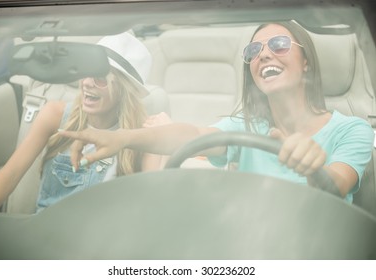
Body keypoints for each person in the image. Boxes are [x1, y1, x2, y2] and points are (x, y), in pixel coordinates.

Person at [59, 21, 375, 203]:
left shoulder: (352, 130)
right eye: (254, 51)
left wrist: (312, 169)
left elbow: (336, 187)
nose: (264, 54)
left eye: (278, 44)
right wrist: (125, 138)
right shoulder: (244, 126)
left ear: (306, 61)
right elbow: (194, 135)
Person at [0, 32, 166, 212]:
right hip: (48, 233)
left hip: (105, 237)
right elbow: (9, 175)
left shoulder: (142, 133)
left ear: (124, 90)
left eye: (100, 78)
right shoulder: (54, 115)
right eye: (85, 72)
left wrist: (163, 142)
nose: (87, 83)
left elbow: (154, 204)